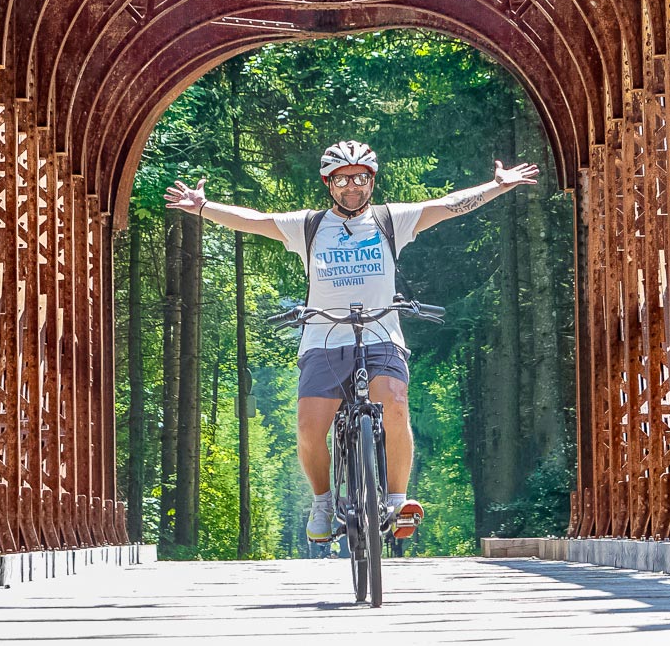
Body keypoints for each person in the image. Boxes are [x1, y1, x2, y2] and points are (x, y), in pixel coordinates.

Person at [163, 139, 540, 545]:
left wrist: (497, 186)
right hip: (323, 338)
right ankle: (323, 502)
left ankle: (396, 502)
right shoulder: (308, 226)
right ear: (329, 184)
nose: (352, 187)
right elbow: (254, 220)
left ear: (371, 181)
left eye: (360, 178)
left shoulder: (390, 220)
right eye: (342, 179)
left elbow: (447, 206)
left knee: (394, 403)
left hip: (381, 335)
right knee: (309, 428)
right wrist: (203, 207)